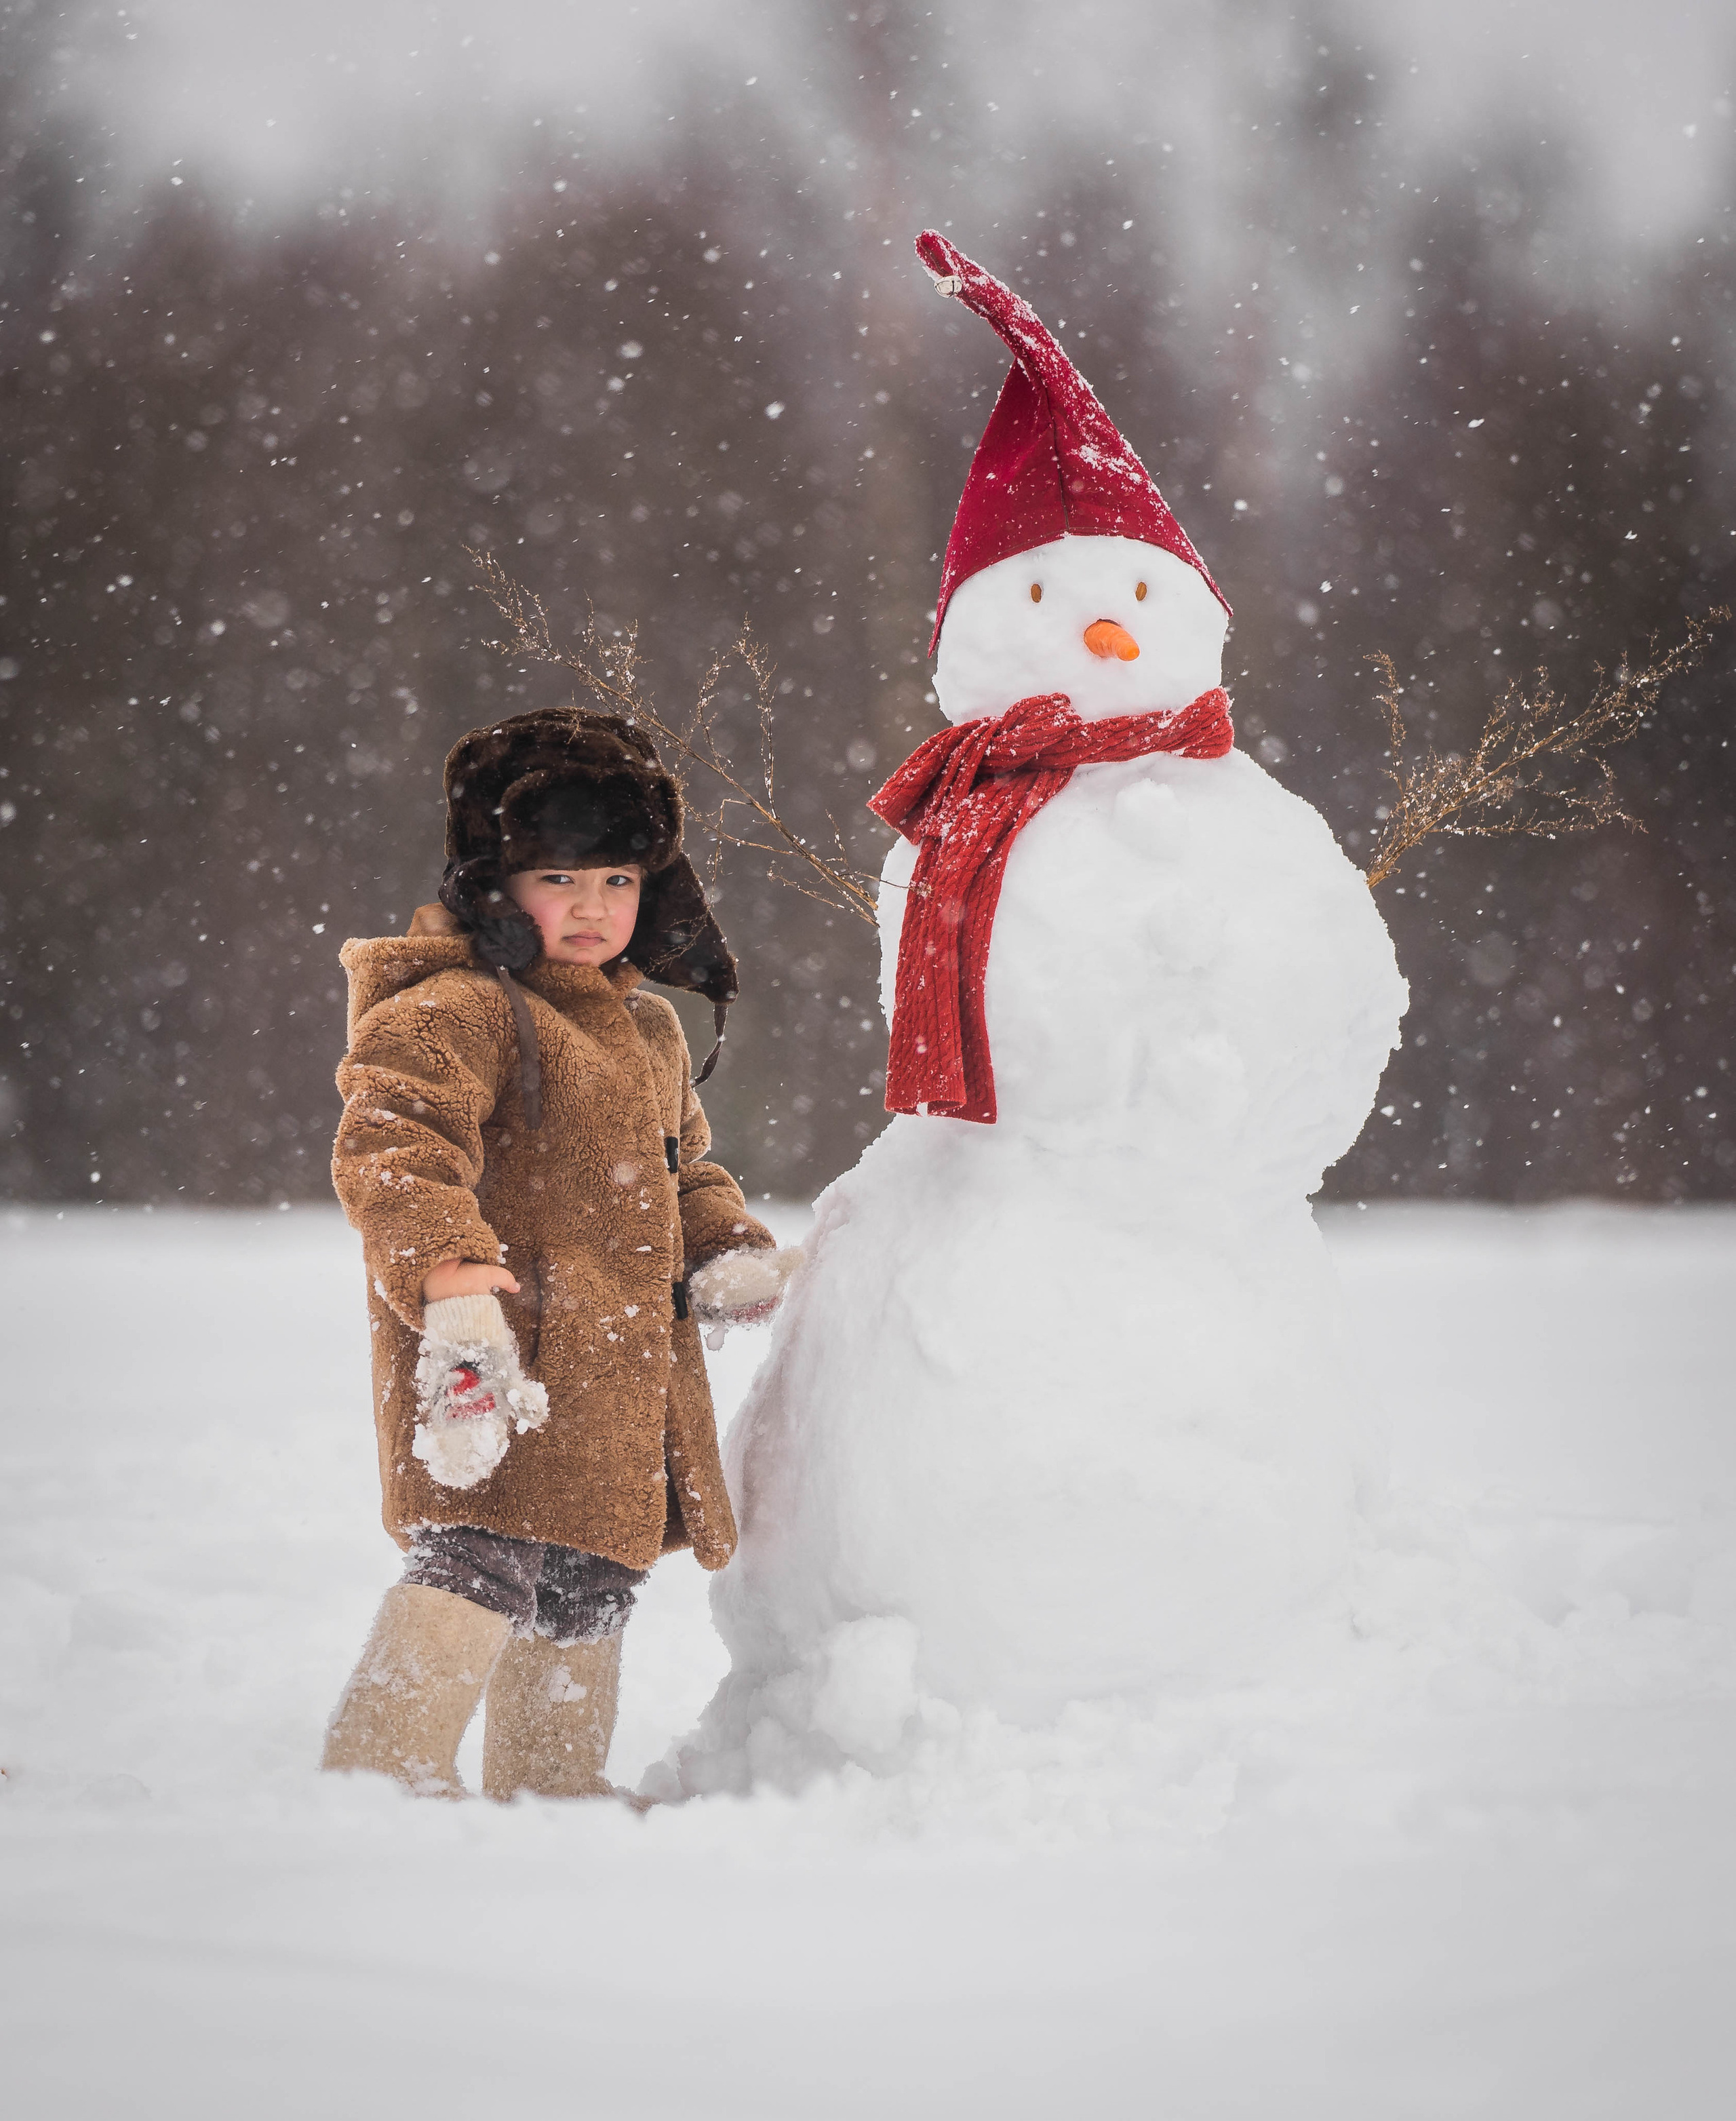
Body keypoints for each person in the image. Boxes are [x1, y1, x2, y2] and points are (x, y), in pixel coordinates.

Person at [319, 706, 797, 1799]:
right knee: (479, 1561)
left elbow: (687, 1170)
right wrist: (453, 1280)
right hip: (501, 1364)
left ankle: (546, 1799)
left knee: (589, 1586)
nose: (592, 908)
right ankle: (374, 1780)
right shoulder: (456, 1010)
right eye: (559, 879)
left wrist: (726, 1246)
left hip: (621, 1382)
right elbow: (393, 1145)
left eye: (619, 882)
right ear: (495, 884)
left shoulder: (648, 1031)